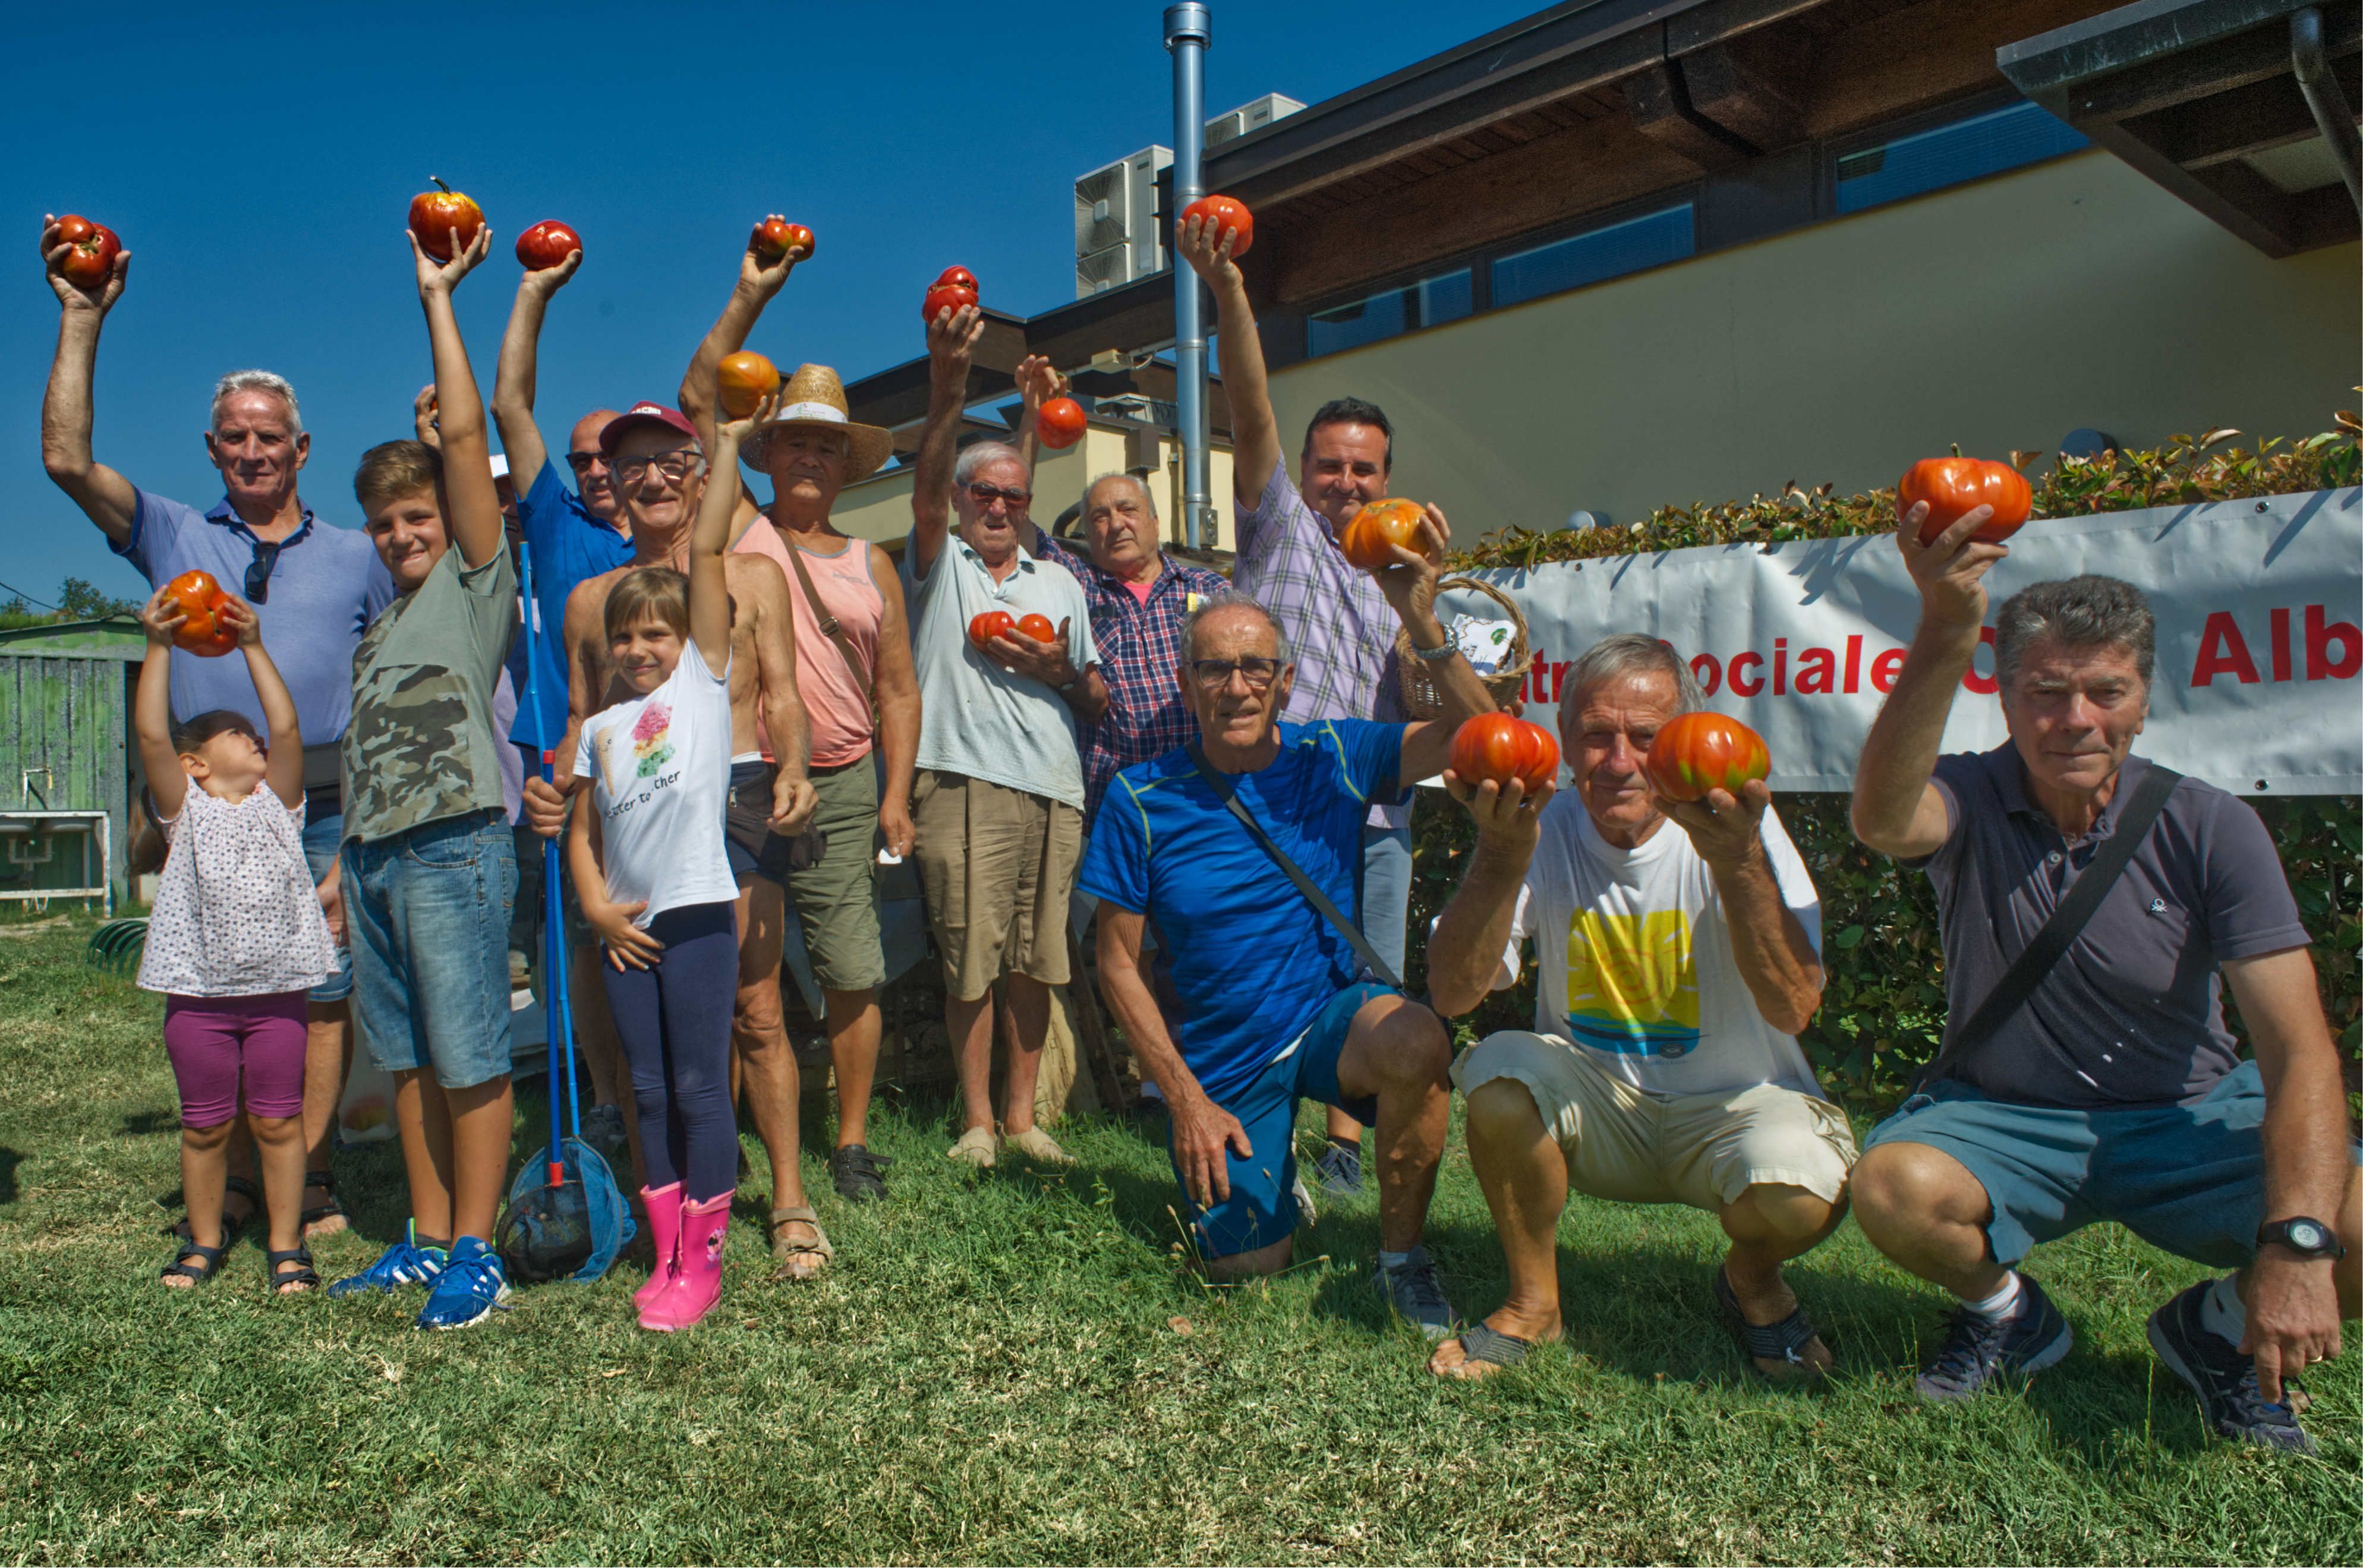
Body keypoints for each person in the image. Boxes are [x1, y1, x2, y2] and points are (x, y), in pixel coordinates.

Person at [1848, 506, 2359, 1452]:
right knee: (1892, 1184)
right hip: (2005, 1118)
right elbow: (1882, 819)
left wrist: (2294, 1246)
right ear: (2003, 698)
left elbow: (2298, 1052)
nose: (2075, 718)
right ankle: (2010, 1313)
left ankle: (2213, 1329)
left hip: (2185, 1114)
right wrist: (1945, 626)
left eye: (2104, 691)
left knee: (2350, 1226)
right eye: (2045, 690)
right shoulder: (1968, 792)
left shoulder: (2210, 825)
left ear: (2144, 699)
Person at [39, 216, 389, 1243]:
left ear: (301, 448)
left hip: (324, 800)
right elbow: (65, 457)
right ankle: (232, 1177)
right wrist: (81, 317)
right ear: (212, 448)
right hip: (214, 808)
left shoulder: (363, 552)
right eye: (233, 436)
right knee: (214, 987)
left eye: (267, 436)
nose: (250, 450)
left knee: (318, 995)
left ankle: (309, 1176)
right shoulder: (172, 534)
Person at [1420, 635, 1854, 1379]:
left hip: (1730, 1111)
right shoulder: (1539, 826)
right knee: (1496, 1071)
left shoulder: (1739, 829)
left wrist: (1737, 859)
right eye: (1596, 735)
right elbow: (1454, 992)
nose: (1618, 761)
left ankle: (1751, 1279)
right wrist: (1498, 856)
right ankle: (1534, 1304)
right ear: (1565, 739)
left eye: (1646, 738)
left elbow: (1793, 1006)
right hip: (1603, 1112)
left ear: (1684, 737)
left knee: (1803, 1186)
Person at [1077, 575, 1495, 1333]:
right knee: (1242, 1271)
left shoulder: (1333, 751)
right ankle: (1278, 1183)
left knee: (1418, 1036)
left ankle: (1401, 1261)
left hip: (1331, 1015)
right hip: (1225, 1056)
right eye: (1213, 668)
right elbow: (1115, 963)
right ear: (1185, 682)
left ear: (1284, 682)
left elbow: (1481, 734)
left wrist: (1420, 617)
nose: (1235, 686)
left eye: (1254, 666)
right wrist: (1183, 1098)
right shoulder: (1140, 797)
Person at [522, 403, 824, 1274]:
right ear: (610, 484)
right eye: (632, 466)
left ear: (698, 472)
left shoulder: (754, 577)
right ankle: (686, 1201)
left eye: (668, 461)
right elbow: (583, 724)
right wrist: (556, 795)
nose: (651, 478)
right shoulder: (590, 600)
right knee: (652, 1028)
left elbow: (784, 693)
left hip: (734, 794)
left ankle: (791, 1200)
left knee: (756, 1008)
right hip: (634, 815)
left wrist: (794, 767)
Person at [1178, 207, 1436, 1193]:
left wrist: (1424, 592)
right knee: (1259, 967)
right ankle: (1259, 1127)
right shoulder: (1279, 529)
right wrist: (1229, 288)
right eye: (1328, 464)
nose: (1340, 481)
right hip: (1274, 796)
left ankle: (1344, 1143)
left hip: (1371, 811)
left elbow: (1427, 698)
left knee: (1367, 972)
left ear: (1385, 478)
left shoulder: (1403, 567)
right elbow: (1249, 412)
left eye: (1360, 468)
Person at [676, 233, 922, 1203]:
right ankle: (738, 1131)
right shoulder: (744, 528)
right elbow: (700, 397)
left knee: (854, 961)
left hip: (847, 777)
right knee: (749, 966)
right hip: (746, 776)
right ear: (769, 451)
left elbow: (897, 687)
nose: (810, 454)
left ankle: (851, 1140)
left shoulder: (871, 565)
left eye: (828, 443)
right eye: (796, 439)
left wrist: (898, 792)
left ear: (845, 464)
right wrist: (751, 292)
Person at [323, 217, 520, 1329]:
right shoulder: (381, 627)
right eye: (386, 521)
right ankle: (427, 1234)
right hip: (376, 856)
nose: (403, 531)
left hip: (456, 842)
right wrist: (343, 861)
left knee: (467, 1049)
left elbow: (462, 439)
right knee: (402, 1059)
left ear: (452, 519)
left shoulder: (474, 586)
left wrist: (437, 297)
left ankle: (478, 1248)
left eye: (419, 515)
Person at [569, 377, 780, 1332]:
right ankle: (662, 1252)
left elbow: (702, 547)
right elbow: (583, 833)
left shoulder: (701, 681)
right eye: (628, 636)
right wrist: (598, 910)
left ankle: (704, 1258)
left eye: (660, 631)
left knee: (700, 1082)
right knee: (645, 1086)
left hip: (696, 913)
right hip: (626, 924)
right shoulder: (605, 726)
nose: (644, 646)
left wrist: (727, 443)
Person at [908, 304, 1108, 1169]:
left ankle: (1026, 1119)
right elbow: (924, 485)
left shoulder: (1058, 582)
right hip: (963, 778)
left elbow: (1095, 690)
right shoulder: (937, 564)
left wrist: (1059, 671)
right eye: (980, 492)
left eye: (1012, 495)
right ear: (957, 501)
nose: (996, 504)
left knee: (1037, 960)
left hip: (1054, 785)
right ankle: (979, 1121)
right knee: (971, 960)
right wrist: (950, 381)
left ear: (1029, 505)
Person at [133, 586, 339, 1296]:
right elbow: (154, 736)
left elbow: (287, 729)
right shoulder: (183, 811)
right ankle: (206, 1239)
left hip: (279, 994)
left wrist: (253, 643)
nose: (254, 737)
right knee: (205, 1127)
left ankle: (286, 1246)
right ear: (196, 763)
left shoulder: (279, 803)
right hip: (199, 999)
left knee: (280, 1123)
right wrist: (159, 644)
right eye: (233, 731)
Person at [488, 237, 635, 1160]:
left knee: (656, 922)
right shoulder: (553, 520)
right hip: (562, 753)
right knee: (581, 936)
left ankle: (664, 1096)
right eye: (580, 457)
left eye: (606, 454)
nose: (591, 469)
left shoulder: (665, 532)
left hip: (660, 754)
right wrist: (533, 291)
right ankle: (605, 1101)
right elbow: (510, 403)